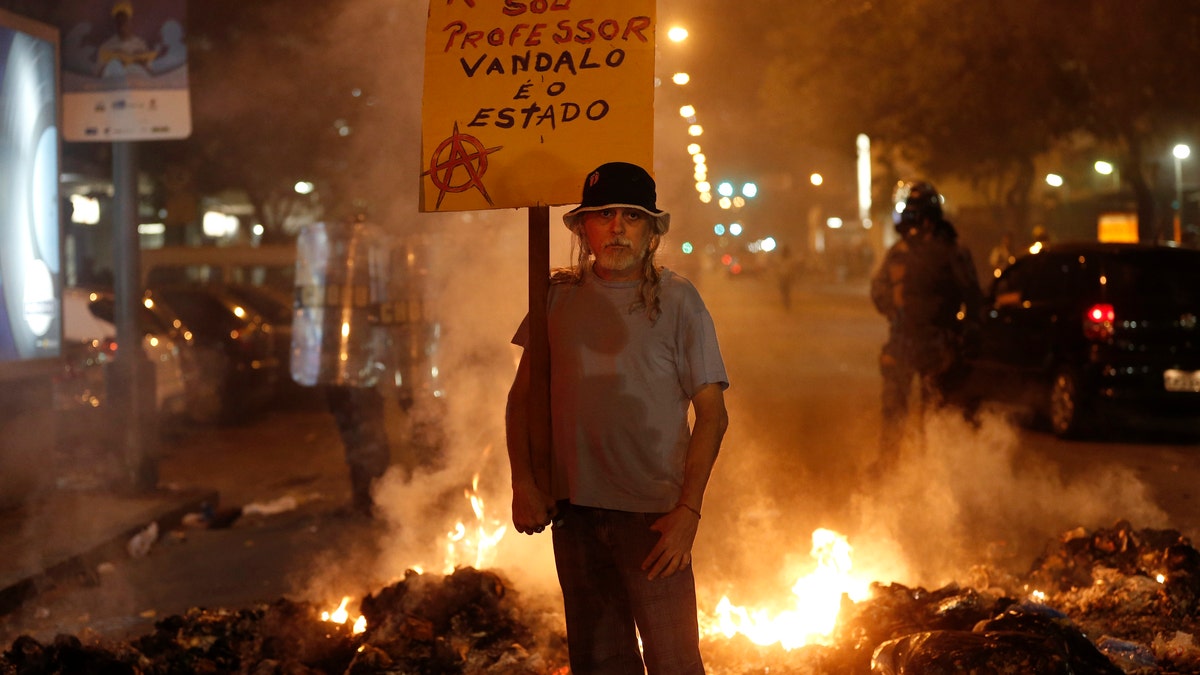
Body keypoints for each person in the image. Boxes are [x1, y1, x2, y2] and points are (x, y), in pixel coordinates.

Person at [506, 161, 730, 675]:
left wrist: (688, 513)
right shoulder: (556, 296)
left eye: (632, 216)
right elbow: (523, 399)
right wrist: (525, 482)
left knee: (674, 664)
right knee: (601, 664)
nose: (617, 227)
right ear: (582, 229)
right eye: (603, 214)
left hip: (653, 520)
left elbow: (713, 416)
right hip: (575, 514)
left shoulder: (679, 301)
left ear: (652, 232)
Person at [870, 180, 982, 466]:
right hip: (917, 343)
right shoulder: (909, 251)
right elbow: (879, 290)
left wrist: (960, 337)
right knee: (911, 414)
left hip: (931, 343)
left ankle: (920, 471)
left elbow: (972, 300)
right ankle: (901, 471)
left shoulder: (943, 251)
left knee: (929, 415)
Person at [325, 383, 390, 518]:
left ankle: (372, 499)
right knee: (356, 442)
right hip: (346, 390)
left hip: (361, 388)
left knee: (368, 440)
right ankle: (365, 499)